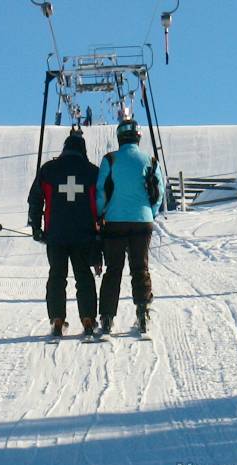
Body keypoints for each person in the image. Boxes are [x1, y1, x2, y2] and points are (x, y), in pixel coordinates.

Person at [27, 128, 101, 338]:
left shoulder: (49, 169)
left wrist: (36, 227)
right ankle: (88, 319)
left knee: (57, 276)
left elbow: (35, 198)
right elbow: (100, 203)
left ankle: (57, 320)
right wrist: (99, 234)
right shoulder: (92, 172)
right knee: (84, 277)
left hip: (56, 234)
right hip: (83, 234)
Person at [96, 118, 165, 335]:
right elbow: (159, 192)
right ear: (138, 136)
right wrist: (150, 213)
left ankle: (107, 319)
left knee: (113, 270)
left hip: (114, 222)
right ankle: (143, 314)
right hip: (142, 221)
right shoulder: (150, 161)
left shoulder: (110, 160)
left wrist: (101, 214)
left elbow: (101, 191)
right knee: (140, 267)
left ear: (119, 137)